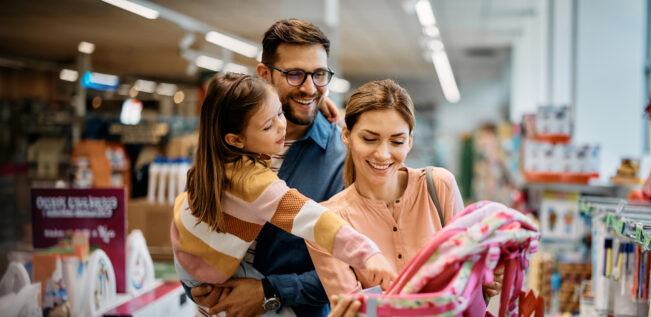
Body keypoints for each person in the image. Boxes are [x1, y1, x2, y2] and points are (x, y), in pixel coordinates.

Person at [172, 72, 397, 315]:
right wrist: (368, 254)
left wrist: (319, 105)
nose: (282, 126)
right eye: (268, 125)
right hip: (213, 278)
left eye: (280, 112)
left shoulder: (213, 162)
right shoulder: (253, 182)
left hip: (189, 259)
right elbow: (315, 220)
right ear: (235, 139)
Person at [185, 19, 347, 317]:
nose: (310, 88)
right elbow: (196, 218)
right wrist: (193, 283)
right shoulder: (229, 141)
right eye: (295, 74)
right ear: (264, 74)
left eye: (320, 74)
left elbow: (352, 269)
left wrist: (270, 291)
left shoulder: (340, 158)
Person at [307, 80, 504, 316]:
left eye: (397, 141)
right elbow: (354, 311)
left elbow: (467, 287)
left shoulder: (439, 186)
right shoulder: (328, 223)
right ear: (347, 135)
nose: (383, 153)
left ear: (410, 141)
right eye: (369, 139)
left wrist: (483, 280)